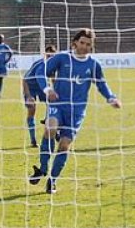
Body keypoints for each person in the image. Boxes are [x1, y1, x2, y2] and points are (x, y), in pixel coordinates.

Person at [28, 29, 122, 194]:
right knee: (50, 128)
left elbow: (101, 83)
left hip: (77, 111)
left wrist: (111, 98)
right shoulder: (62, 58)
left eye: (88, 45)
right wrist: (47, 89)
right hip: (58, 104)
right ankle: (42, 168)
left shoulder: (93, 64)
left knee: (64, 145)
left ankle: (53, 180)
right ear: (75, 42)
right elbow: (40, 72)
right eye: (82, 43)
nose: (85, 47)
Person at [22, 45, 57, 147]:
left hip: (42, 86)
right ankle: (33, 139)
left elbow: (54, 80)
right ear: (45, 55)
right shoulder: (40, 65)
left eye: (52, 56)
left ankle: (48, 120)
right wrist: (28, 96)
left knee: (53, 102)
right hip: (30, 86)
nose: (50, 58)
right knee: (32, 109)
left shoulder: (53, 67)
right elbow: (24, 80)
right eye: (48, 55)